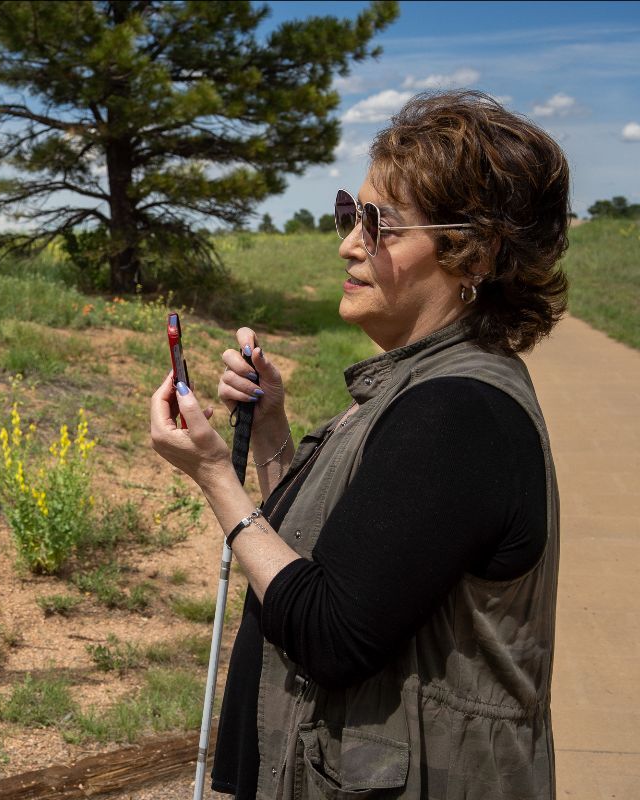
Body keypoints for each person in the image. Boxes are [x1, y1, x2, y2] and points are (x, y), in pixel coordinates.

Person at [150, 90, 568, 800]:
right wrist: (272, 428)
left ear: (474, 253)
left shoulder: (459, 412)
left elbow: (331, 632)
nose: (348, 241)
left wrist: (216, 479)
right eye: (352, 213)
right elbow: (339, 561)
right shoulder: (420, 389)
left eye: (379, 224)